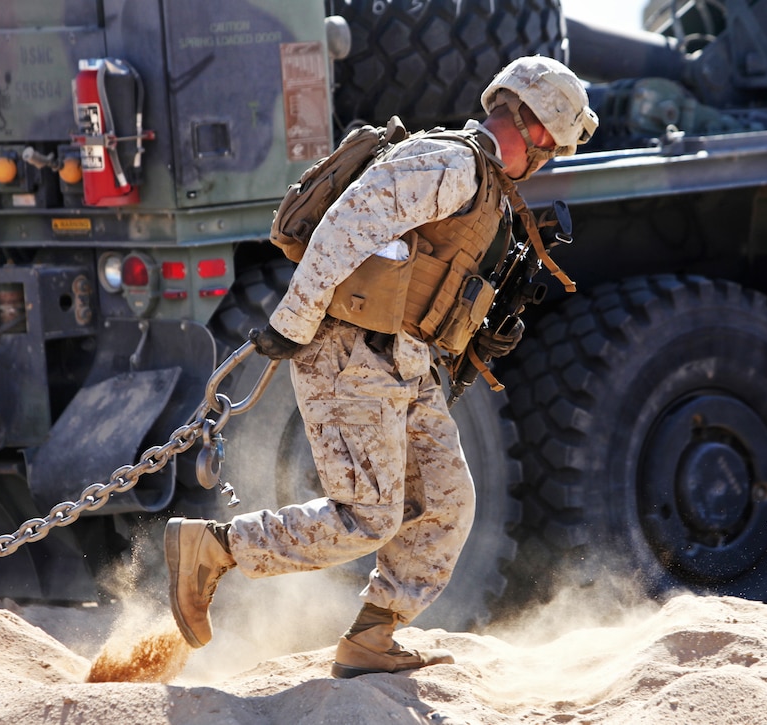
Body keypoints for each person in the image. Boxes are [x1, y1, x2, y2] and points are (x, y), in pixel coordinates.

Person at [165, 55, 598, 678]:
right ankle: (213, 548)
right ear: (534, 127)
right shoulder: (451, 164)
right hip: (348, 351)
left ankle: (371, 636)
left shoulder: (485, 187)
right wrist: (294, 321)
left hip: (403, 359)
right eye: (553, 148)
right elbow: (343, 227)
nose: (549, 162)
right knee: (366, 517)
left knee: (448, 504)